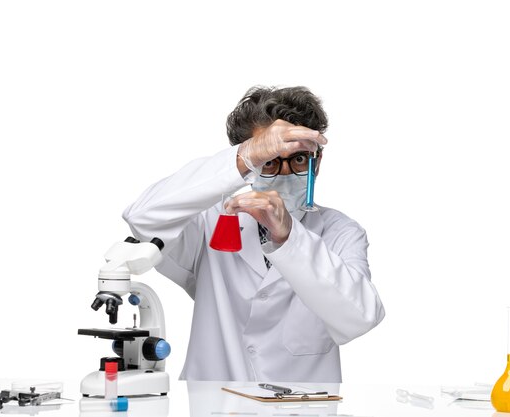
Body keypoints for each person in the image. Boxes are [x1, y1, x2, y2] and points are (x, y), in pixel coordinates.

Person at [122, 86, 385, 382]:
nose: (284, 173)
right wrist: (245, 156)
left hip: (302, 409)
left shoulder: (340, 232)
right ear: (249, 165)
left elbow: (360, 318)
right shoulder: (209, 222)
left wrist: (290, 238)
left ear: (317, 164)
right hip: (213, 405)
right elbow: (142, 217)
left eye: (298, 159)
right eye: (269, 161)